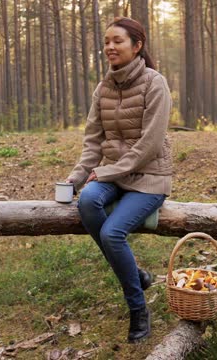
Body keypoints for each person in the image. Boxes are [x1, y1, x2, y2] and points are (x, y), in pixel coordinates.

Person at [65, 17, 173, 343]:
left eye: (118, 41)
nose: (110, 47)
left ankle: (138, 309)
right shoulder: (103, 88)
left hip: (150, 176)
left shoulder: (155, 83)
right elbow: (93, 142)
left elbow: (150, 144)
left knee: (112, 233)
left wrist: (108, 171)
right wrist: (74, 179)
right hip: (113, 173)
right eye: (107, 41)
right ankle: (137, 275)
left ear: (137, 45)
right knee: (86, 201)